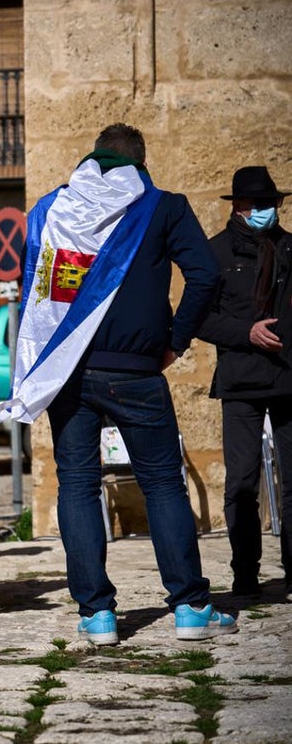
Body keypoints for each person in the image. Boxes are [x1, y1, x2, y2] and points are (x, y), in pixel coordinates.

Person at [0, 123, 236, 644]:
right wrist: (175, 341)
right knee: (162, 483)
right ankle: (189, 607)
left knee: (77, 485)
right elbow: (205, 275)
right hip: (138, 370)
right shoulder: (163, 206)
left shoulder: (51, 211)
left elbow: (38, 292)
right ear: (141, 162)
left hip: (67, 374)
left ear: (92, 158)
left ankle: (97, 614)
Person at [196, 166, 292, 599]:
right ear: (237, 206)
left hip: (288, 378)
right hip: (241, 383)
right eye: (256, 204)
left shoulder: (290, 248)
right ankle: (245, 574)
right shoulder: (214, 254)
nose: (264, 211)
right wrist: (247, 333)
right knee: (241, 483)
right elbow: (200, 318)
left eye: (271, 204)